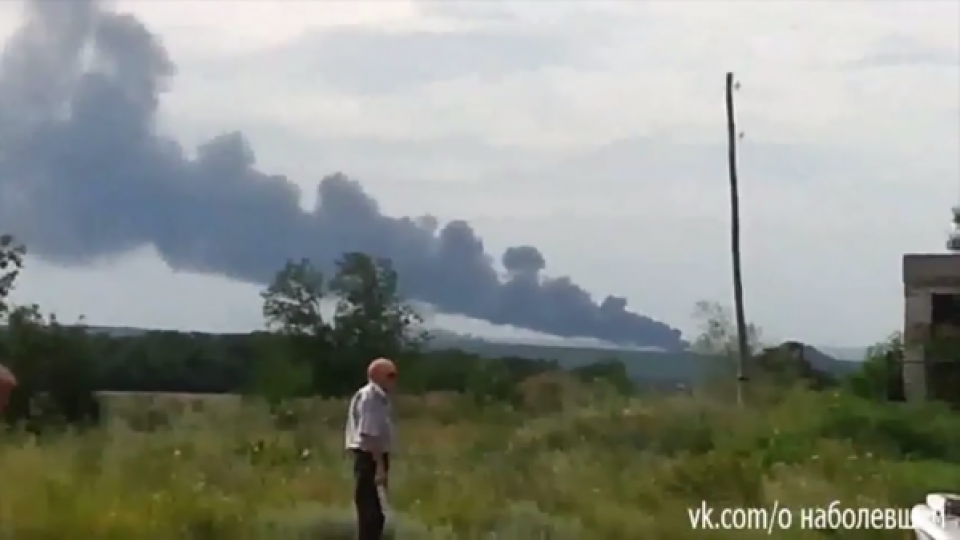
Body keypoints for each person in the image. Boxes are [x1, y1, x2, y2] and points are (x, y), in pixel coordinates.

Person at [345, 358, 397, 540]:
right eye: (390, 375)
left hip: (373, 458)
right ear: (376, 376)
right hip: (370, 458)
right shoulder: (371, 397)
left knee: (376, 514)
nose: (394, 380)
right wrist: (380, 467)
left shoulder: (380, 398)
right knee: (371, 516)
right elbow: (369, 434)